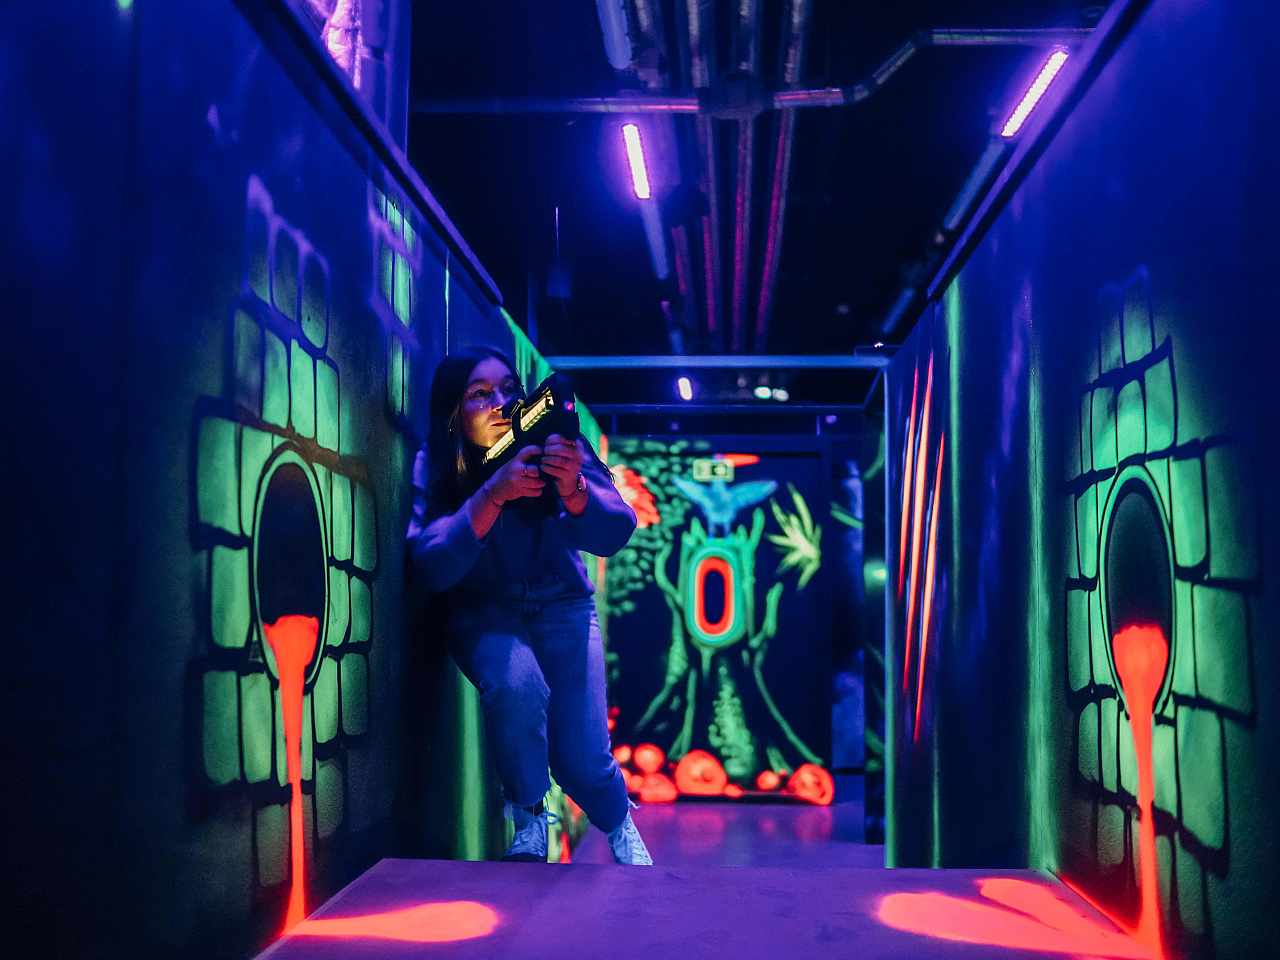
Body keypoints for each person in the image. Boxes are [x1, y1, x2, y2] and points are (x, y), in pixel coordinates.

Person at [406, 345, 652, 865]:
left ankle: (619, 824)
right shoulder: (440, 459)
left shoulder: (555, 441)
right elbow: (430, 564)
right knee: (515, 684)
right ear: (453, 412)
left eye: (508, 389)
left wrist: (574, 486)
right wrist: (492, 495)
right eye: (479, 394)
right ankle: (528, 815)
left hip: (564, 606)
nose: (499, 403)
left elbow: (616, 529)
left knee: (583, 763)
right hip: (484, 611)